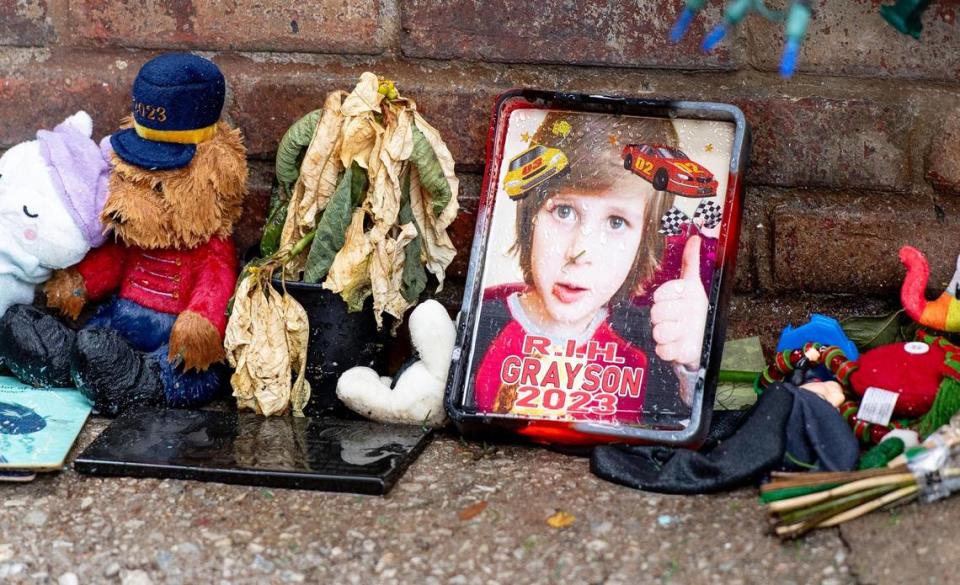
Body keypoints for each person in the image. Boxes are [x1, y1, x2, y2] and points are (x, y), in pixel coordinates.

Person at [469, 112, 710, 424]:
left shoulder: (648, 338)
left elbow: (689, 419)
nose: (579, 253)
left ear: (643, 241)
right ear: (530, 216)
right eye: (564, 211)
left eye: (616, 222)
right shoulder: (483, 323)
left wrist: (694, 361)